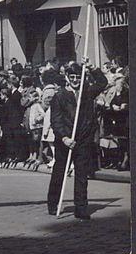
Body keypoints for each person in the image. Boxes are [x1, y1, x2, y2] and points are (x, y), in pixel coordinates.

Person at [46, 61, 108, 219]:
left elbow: (102, 83)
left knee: (81, 174)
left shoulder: (86, 91)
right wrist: (65, 137)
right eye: (72, 77)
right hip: (65, 140)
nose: (75, 80)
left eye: (78, 77)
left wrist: (92, 68)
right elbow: (56, 120)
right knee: (60, 172)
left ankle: (81, 208)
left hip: (83, 139)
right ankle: (53, 203)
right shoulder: (59, 96)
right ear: (67, 77)